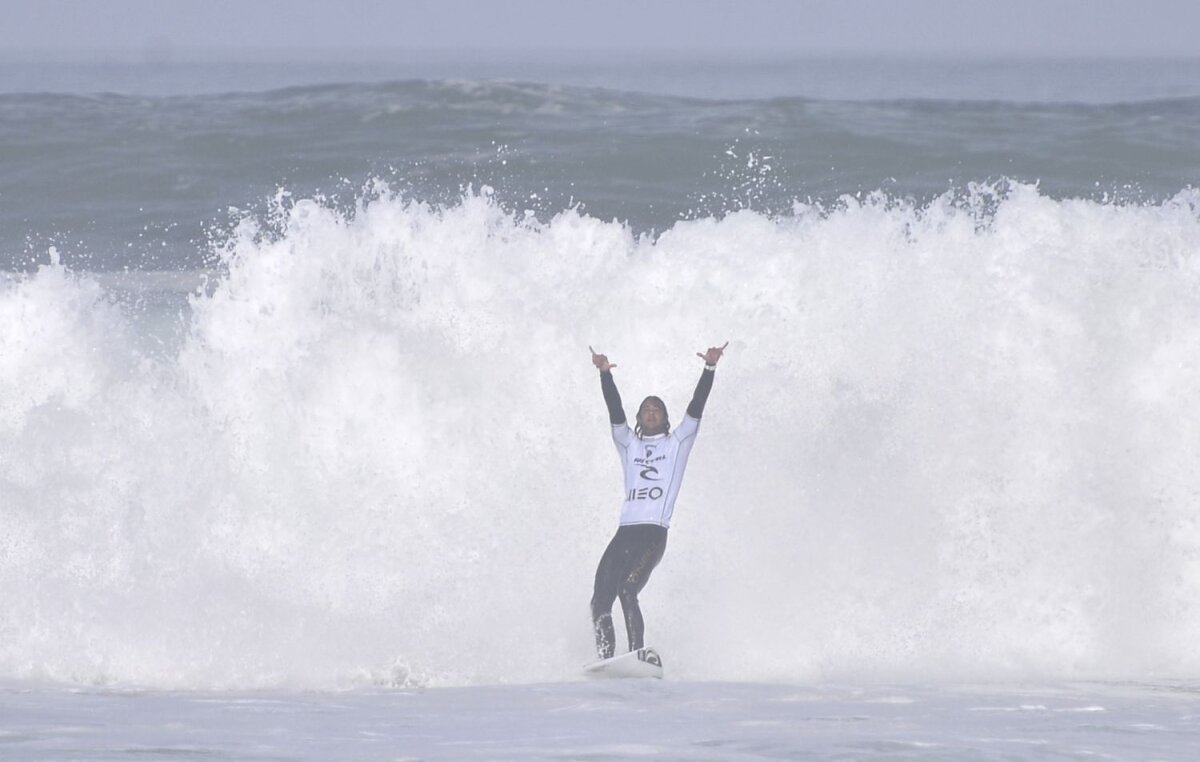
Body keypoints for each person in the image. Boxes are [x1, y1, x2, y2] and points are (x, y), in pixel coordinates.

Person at [587, 341, 727, 661]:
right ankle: (606, 661)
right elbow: (615, 411)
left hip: (652, 534)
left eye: (657, 409)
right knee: (599, 600)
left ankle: (637, 657)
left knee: (627, 590)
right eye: (646, 409)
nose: (651, 412)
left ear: (665, 418)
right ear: (639, 418)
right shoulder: (628, 444)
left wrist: (709, 368)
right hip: (624, 532)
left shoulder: (678, 442)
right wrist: (605, 374)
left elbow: (696, 406)